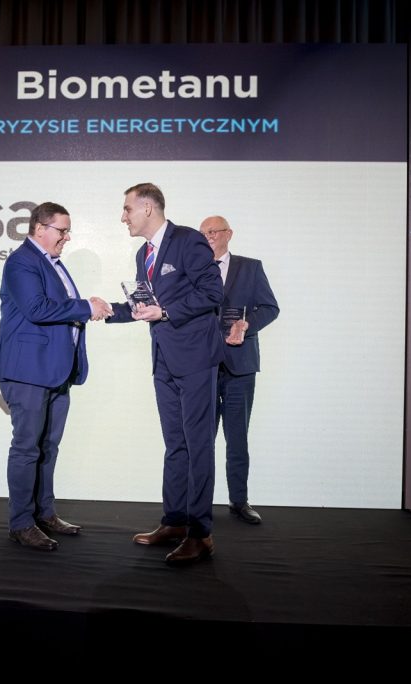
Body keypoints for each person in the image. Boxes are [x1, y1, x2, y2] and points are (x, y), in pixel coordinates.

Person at [106, 183, 224, 565]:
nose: (123, 217)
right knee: (175, 444)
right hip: (163, 361)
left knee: (198, 445)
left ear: (148, 208)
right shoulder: (144, 254)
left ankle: (200, 533)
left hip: (196, 359)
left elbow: (213, 292)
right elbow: (145, 306)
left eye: (127, 209)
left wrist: (167, 312)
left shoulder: (188, 240)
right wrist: (105, 310)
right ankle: (174, 522)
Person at [0, 201, 112, 551]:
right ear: (39, 228)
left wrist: (88, 305)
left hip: (55, 371)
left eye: (67, 230)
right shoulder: (21, 262)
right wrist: (86, 307)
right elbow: (37, 309)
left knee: (48, 446)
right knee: (27, 448)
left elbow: (59, 310)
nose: (67, 237)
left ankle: (44, 513)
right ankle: (21, 523)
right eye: (62, 230)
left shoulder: (52, 264)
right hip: (28, 371)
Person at [200, 215, 279, 525]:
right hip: (202, 367)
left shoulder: (250, 267)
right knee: (201, 439)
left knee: (237, 438)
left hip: (240, 365)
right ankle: (199, 501)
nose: (208, 237)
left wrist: (247, 325)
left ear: (228, 234)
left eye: (213, 231)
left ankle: (239, 500)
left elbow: (270, 308)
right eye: (203, 233)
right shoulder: (193, 270)